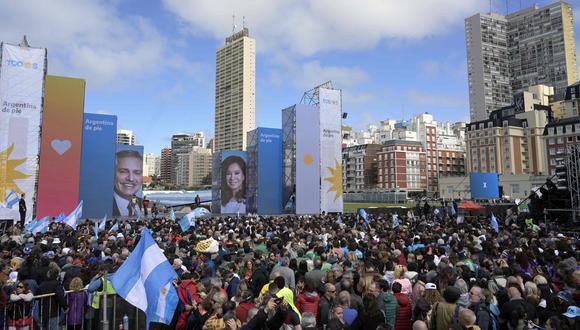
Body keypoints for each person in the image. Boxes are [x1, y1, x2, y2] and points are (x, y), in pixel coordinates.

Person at [112, 150, 143, 217]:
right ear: (113, 173)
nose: (131, 178)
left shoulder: (142, 203)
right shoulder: (103, 204)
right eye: (123, 171)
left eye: (137, 173)